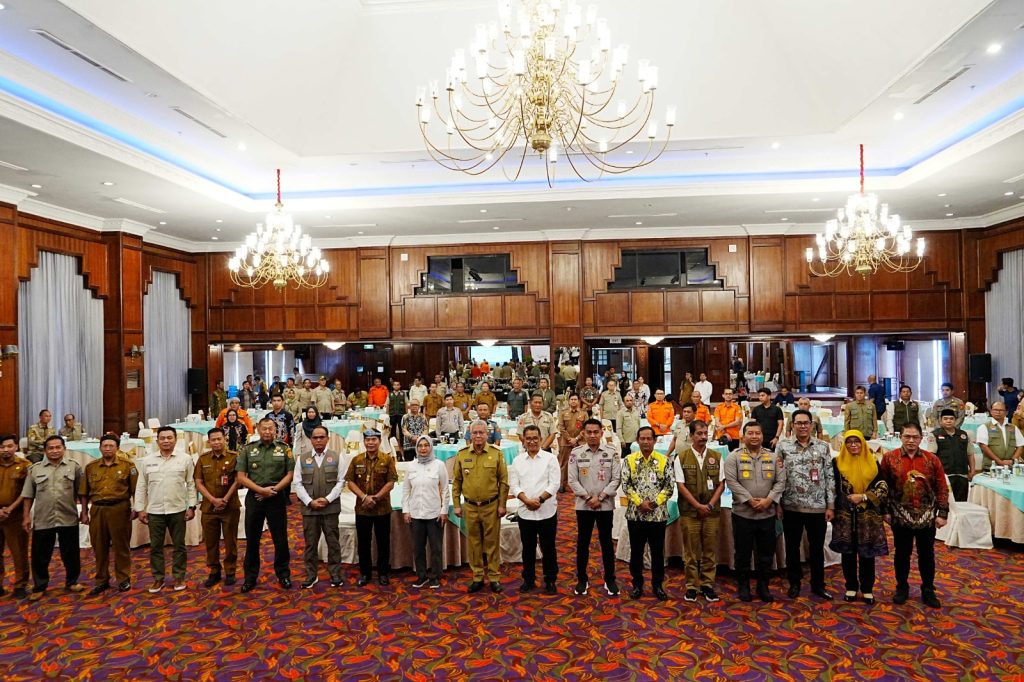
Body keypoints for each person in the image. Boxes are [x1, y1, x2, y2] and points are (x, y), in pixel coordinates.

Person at [880, 421, 949, 608]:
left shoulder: (932, 459)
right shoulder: (889, 458)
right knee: (902, 553)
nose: (911, 440)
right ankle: (902, 587)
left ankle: (928, 589)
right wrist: (884, 511)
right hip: (900, 515)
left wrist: (942, 513)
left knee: (927, 554)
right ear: (900, 437)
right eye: (907, 437)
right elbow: (883, 486)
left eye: (915, 437)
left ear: (921, 438)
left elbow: (942, 487)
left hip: (926, 515)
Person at [723, 422, 787, 603]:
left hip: (767, 515)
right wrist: (750, 500)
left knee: (766, 553)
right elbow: (731, 481)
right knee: (742, 552)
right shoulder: (733, 457)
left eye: (757, 433)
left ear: (762, 436)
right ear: (743, 437)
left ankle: (763, 585)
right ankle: (743, 585)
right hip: (743, 514)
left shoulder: (773, 457)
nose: (754, 436)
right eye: (750, 433)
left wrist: (769, 500)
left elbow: (780, 482)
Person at [778, 408, 836, 600]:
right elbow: (777, 478)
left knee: (816, 548)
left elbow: (829, 476)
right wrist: (778, 503)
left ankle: (818, 584)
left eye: (806, 423)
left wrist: (830, 505)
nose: (802, 426)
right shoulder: (783, 447)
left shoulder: (822, 447)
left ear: (812, 425)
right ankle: (794, 583)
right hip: (791, 505)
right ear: (792, 425)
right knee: (792, 547)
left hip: (817, 506)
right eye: (798, 423)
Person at [21, 436, 84, 600]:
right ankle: (40, 586)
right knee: (40, 554)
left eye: (58, 447)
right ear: (45, 450)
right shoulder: (35, 469)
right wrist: (26, 516)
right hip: (43, 519)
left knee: (70, 552)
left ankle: (72, 581)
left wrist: (84, 511)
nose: (55, 451)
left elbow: (81, 492)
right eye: (51, 448)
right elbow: (28, 495)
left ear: (64, 448)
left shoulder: (74, 467)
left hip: (68, 517)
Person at [236, 418, 295, 593]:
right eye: (264, 429)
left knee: (280, 539)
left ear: (276, 430)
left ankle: (283, 574)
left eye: (271, 428)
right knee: (252, 540)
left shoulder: (284, 449)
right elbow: (241, 477)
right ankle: (250, 577)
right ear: (258, 430)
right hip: (254, 497)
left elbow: (289, 475)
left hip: (276, 497)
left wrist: (273, 490)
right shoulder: (248, 449)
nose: (267, 432)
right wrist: (261, 491)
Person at [134, 426, 196, 593]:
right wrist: (139, 508)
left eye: (170, 438)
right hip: (155, 511)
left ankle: (179, 576)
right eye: (163, 438)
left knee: (179, 546)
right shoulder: (147, 461)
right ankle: (158, 578)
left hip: (178, 509)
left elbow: (191, 484)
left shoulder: (185, 459)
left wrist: (192, 506)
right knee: (155, 547)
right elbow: (141, 486)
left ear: (175, 440)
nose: (166, 441)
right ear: (157, 441)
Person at [830, 430, 888, 605]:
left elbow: (883, 486)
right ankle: (851, 586)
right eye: (849, 442)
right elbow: (831, 487)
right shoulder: (836, 463)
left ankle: (867, 589)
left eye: (857, 441)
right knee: (848, 552)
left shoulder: (873, 462)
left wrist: (863, 497)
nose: (853, 445)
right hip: (844, 515)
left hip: (868, 516)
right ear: (844, 444)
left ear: (863, 443)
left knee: (867, 552)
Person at [452, 420, 509, 593]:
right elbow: (457, 482)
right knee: (474, 543)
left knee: (492, 543)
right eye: (474, 433)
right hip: (469, 507)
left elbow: (504, 482)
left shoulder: (496, 454)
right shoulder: (461, 454)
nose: (478, 436)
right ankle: (477, 576)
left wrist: (502, 505)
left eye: (481, 433)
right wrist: (456, 505)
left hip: (491, 506)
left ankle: (494, 577)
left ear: (487, 434)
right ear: (469, 435)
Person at [568, 418, 621, 597]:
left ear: (601, 433)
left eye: (595, 432)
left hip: (605, 505)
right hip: (584, 506)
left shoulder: (611, 453)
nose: (592, 435)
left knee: (606, 543)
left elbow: (616, 479)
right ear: (583, 433)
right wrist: (588, 497)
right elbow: (572, 480)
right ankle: (582, 579)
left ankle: (610, 578)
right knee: (583, 543)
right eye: (588, 432)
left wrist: (601, 497)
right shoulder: (576, 453)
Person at [79, 434, 137, 595]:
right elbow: (83, 492)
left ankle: (123, 579)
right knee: (99, 547)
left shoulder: (128, 466)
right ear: (100, 448)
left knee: (121, 546)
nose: (108, 449)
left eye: (111, 446)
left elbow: (135, 490)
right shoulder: (91, 467)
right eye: (105, 446)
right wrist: (84, 513)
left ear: (117, 448)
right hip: (97, 510)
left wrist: (136, 508)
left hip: (119, 509)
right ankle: (101, 580)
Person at [622, 427, 674, 601]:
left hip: (657, 515)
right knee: (636, 551)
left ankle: (657, 585)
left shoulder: (664, 460)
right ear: (637, 440)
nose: (645, 442)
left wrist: (653, 503)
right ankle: (637, 584)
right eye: (642, 438)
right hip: (635, 515)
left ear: (654, 440)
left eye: (648, 438)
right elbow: (626, 484)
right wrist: (639, 503)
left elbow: (669, 486)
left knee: (657, 552)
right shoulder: (629, 460)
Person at [675, 420, 724, 602]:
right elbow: (681, 485)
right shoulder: (681, 457)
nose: (703, 437)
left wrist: (709, 505)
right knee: (690, 552)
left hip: (711, 512)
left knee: (709, 551)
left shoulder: (717, 456)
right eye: (699, 434)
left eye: (705, 433)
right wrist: (697, 506)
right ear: (691, 435)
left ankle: (707, 585)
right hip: (690, 512)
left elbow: (721, 484)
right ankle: (691, 586)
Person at [510, 425, 560, 594]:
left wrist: (539, 500)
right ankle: (528, 579)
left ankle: (550, 579)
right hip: (525, 512)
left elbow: (554, 484)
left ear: (540, 439)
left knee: (549, 548)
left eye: (535, 438)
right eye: (528, 438)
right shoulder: (517, 461)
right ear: (523, 441)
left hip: (547, 511)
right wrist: (526, 500)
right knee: (528, 548)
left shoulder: (549, 459)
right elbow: (514, 485)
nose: (532, 441)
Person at [294, 425, 345, 589]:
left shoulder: (337, 457)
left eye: (321, 437)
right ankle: (311, 574)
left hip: (330, 508)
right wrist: (310, 501)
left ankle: (335, 574)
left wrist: (328, 499)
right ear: (310, 439)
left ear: (327, 438)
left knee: (333, 542)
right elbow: (297, 483)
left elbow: (341, 482)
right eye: (315, 437)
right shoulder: (302, 458)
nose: (318, 440)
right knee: (310, 543)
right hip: (310, 510)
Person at [345, 429, 398, 587]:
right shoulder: (356, 460)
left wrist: (376, 498)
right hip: (362, 509)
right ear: (364, 442)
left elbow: (391, 482)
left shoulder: (387, 459)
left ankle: (383, 573)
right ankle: (365, 573)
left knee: (383, 542)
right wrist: (364, 497)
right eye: (367, 440)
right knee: (363, 542)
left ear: (379, 441)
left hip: (382, 508)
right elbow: (350, 481)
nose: (370, 443)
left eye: (373, 439)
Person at [193, 429, 241, 588]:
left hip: (230, 507)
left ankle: (230, 571)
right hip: (209, 508)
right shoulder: (203, 459)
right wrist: (213, 500)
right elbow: (198, 482)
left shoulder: (234, 457)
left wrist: (225, 499)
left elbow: (239, 480)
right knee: (211, 542)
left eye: (219, 439)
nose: (216, 442)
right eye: (213, 440)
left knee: (230, 541)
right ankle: (214, 571)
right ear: (209, 441)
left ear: (225, 439)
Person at [403, 436, 450, 589]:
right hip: (416, 514)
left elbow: (445, 490)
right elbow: (406, 490)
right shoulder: (411, 466)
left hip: (434, 514)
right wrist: (406, 510)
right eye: (420, 446)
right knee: (418, 548)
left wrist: (444, 511)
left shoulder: (439, 465)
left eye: (426, 445)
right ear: (416, 448)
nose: (423, 449)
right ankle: (421, 576)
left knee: (436, 548)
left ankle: (435, 576)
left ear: (431, 447)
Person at [0, 433, 30, 599]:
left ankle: (20, 585)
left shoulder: (25, 465)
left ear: (16, 447)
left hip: (15, 515)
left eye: (9, 446)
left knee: (19, 552)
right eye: (2, 447)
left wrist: (10, 508)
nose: (6, 450)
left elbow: (27, 492)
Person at [931, 409, 974, 502]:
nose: (948, 421)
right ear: (940, 421)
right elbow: (931, 457)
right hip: (944, 475)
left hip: (962, 474)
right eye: (945, 419)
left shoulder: (963, 435)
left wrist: (972, 471)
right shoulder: (935, 435)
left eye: (951, 418)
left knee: (961, 503)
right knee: (944, 502)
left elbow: (970, 454)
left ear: (955, 420)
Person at [976, 401, 1024, 471]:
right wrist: (999, 462)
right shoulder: (984, 427)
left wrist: (1013, 460)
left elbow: (1020, 445)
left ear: (1006, 412)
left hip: (1010, 467)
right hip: (991, 467)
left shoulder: (1013, 428)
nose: (998, 412)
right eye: (995, 410)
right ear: (991, 411)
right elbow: (984, 447)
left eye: (1001, 410)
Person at [557, 394, 589, 493]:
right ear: (569, 401)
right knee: (564, 464)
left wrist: (576, 438)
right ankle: (562, 484)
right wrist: (569, 439)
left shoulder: (584, 413)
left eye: (575, 399)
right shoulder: (563, 413)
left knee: (583, 463)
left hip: (580, 442)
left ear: (578, 401)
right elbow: (561, 427)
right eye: (572, 399)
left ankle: (583, 484)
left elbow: (586, 428)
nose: (574, 401)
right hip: (566, 442)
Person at [616, 394, 643, 458]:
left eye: (631, 400)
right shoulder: (620, 413)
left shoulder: (636, 411)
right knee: (626, 460)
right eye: (627, 401)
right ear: (624, 402)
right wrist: (621, 440)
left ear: (633, 401)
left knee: (637, 458)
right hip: (626, 441)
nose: (629, 402)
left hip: (636, 440)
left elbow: (639, 425)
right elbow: (618, 428)